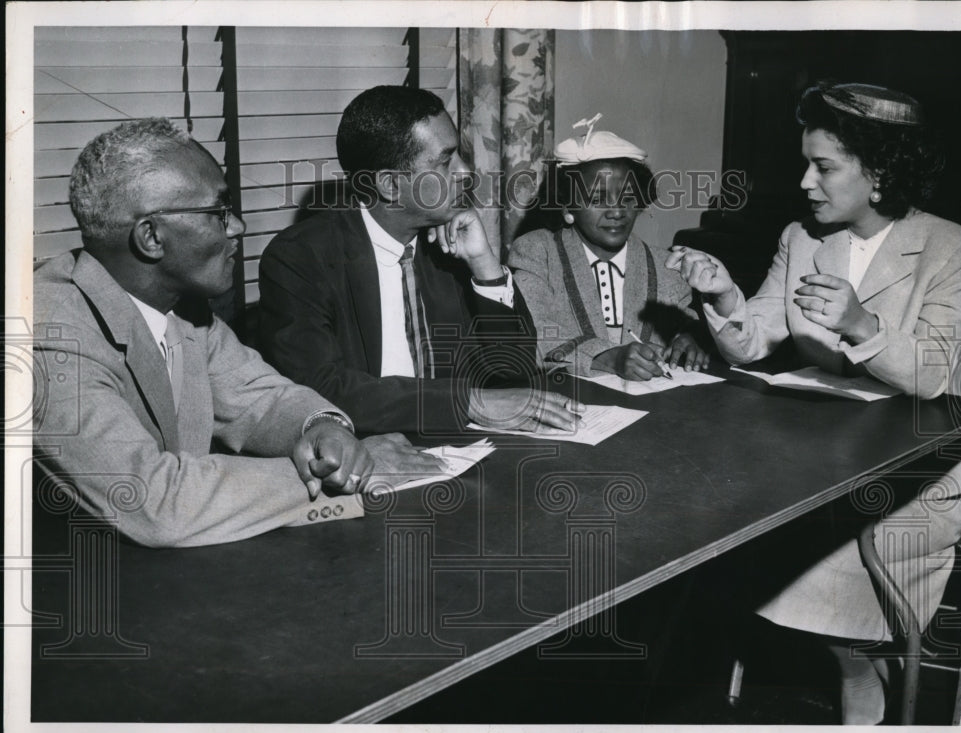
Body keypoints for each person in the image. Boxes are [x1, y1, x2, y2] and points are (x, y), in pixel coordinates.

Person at [671, 82, 961, 723]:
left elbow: (934, 372)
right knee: (727, 521)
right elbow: (753, 341)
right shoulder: (803, 238)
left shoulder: (953, 249)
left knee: (821, 552)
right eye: (806, 163)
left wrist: (863, 325)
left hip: (920, 465)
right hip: (821, 456)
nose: (806, 181)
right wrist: (725, 297)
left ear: (881, 173)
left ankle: (863, 672)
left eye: (825, 166)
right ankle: (861, 667)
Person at [33, 118, 439, 548]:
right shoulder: (51, 331)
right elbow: (154, 503)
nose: (238, 228)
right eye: (218, 213)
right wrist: (341, 470)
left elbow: (261, 400)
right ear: (151, 237)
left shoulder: (183, 310)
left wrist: (323, 426)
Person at [257, 86, 583, 436]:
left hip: (466, 446)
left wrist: (484, 264)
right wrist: (465, 402)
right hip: (370, 450)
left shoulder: (450, 246)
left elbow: (516, 369)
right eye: (445, 162)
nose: (466, 172)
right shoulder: (300, 258)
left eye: (459, 155)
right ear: (390, 185)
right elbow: (319, 390)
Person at [508, 116, 709, 380]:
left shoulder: (667, 267)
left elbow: (686, 323)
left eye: (627, 197)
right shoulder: (536, 253)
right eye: (598, 198)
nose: (616, 211)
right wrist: (608, 356)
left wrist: (688, 340)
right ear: (568, 209)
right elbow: (534, 333)